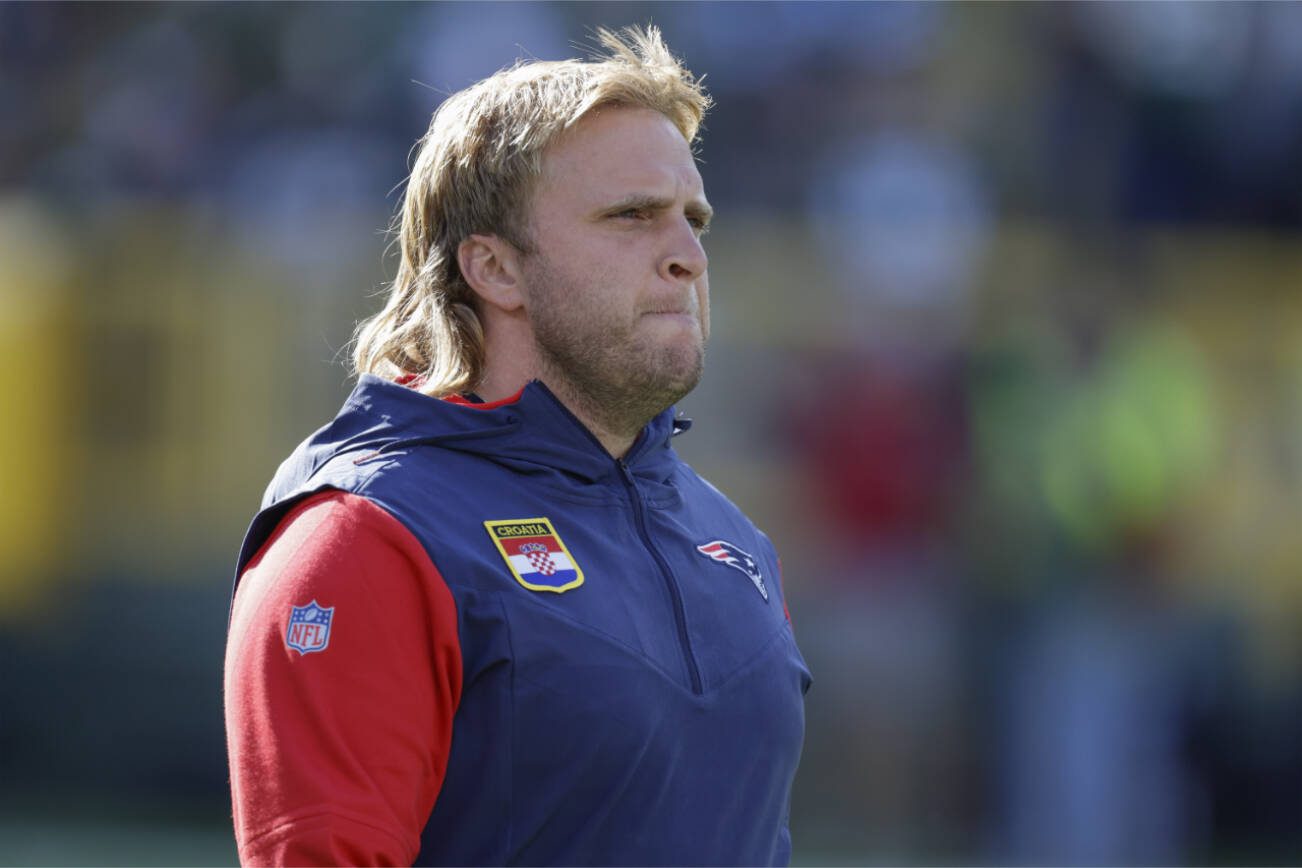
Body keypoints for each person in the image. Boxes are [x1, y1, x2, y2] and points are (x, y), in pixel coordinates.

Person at [224, 26, 811, 867]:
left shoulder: (735, 546)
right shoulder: (367, 539)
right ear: (494, 270)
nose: (686, 256)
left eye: (694, 220)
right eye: (632, 217)